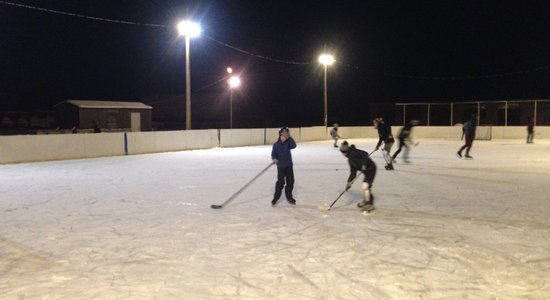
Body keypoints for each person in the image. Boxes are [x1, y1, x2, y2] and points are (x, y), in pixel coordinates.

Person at [339, 141, 377, 211]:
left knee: (365, 185)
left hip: (371, 168)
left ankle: (369, 203)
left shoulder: (354, 152)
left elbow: (365, 154)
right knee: (366, 186)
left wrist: (364, 164)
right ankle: (366, 201)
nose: (343, 154)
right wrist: (349, 182)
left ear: (346, 151)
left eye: (343, 152)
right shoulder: (350, 160)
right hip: (366, 171)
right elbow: (353, 173)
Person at [271, 127, 297, 206]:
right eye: (283, 135)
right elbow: (273, 153)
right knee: (280, 183)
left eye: (286, 136)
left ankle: (289, 197)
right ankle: (275, 198)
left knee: (290, 182)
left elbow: (294, 145)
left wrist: (289, 138)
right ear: (280, 135)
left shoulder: (288, 143)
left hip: (289, 166)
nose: (284, 137)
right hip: (281, 167)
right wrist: (274, 158)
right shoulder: (276, 145)